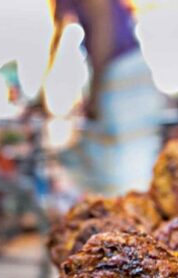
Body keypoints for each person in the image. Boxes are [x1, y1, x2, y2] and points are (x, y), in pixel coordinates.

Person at [47, 0, 165, 196]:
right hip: (118, 69)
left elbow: (103, 26)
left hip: (122, 70)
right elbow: (59, 29)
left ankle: (132, 220)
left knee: (124, 167)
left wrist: (96, 89)